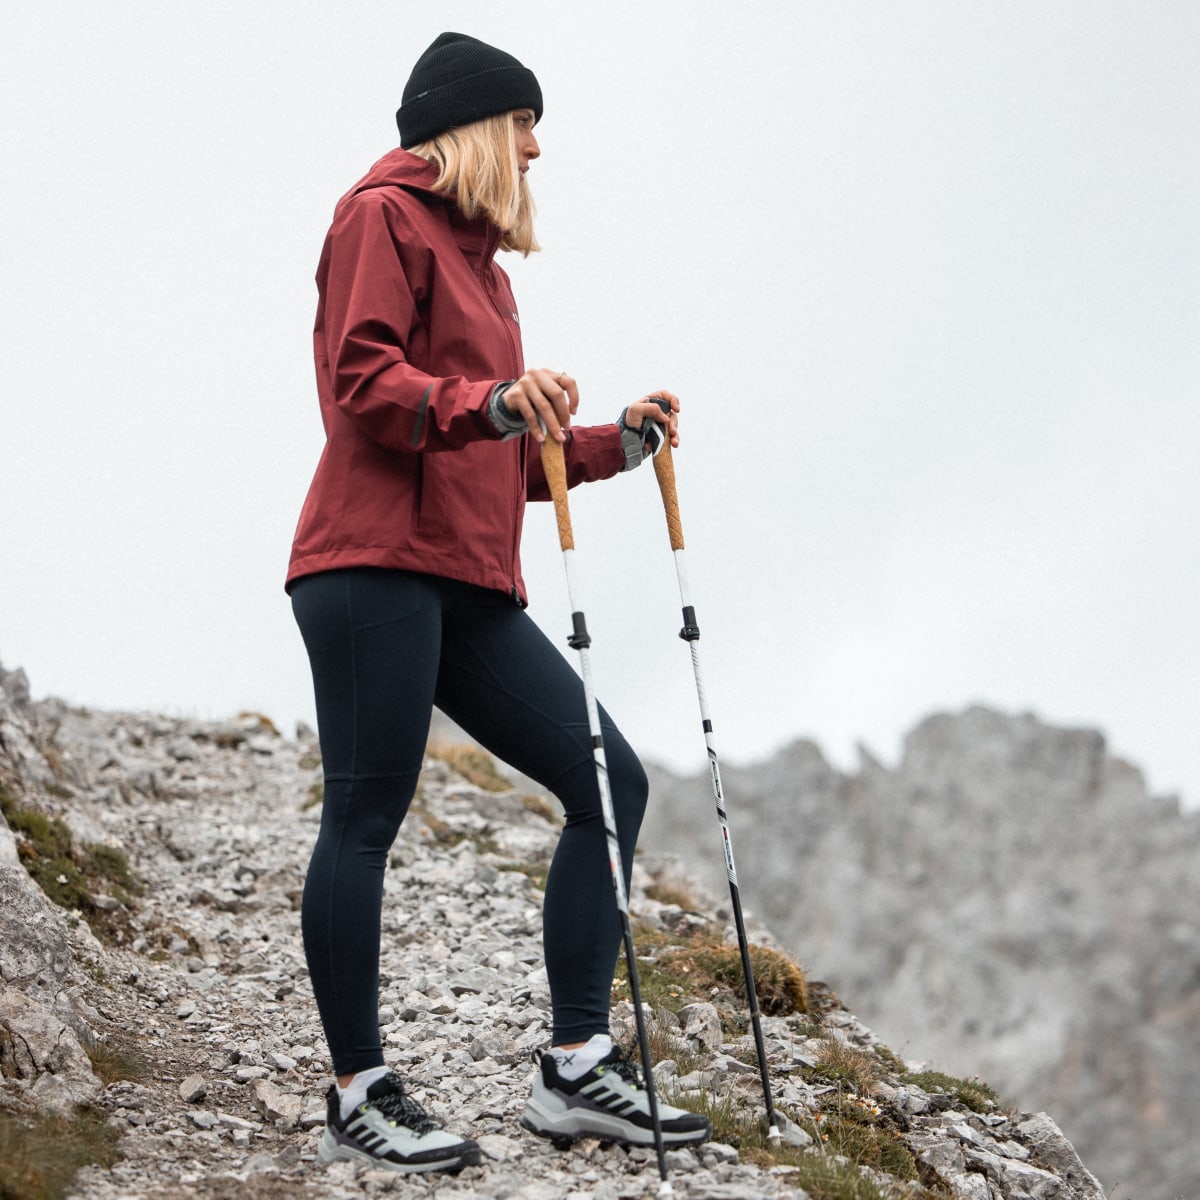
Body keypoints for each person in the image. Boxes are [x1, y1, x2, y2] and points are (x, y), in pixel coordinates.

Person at [286, 32, 712, 1175]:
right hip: (370, 562)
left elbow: (496, 446)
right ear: (473, 128)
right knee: (366, 815)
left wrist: (611, 444)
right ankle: (359, 1091)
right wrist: (487, 401)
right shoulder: (378, 217)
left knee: (609, 780)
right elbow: (364, 385)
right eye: (523, 122)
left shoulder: (487, 271)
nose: (536, 145)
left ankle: (574, 1069)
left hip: (465, 576)